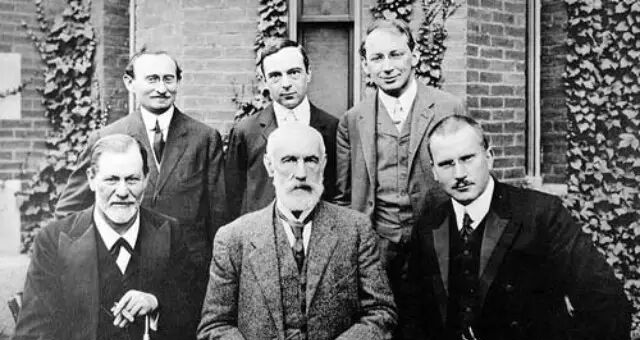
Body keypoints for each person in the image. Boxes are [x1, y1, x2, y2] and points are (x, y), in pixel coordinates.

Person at [370, 115, 631, 340]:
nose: (459, 173)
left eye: (468, 158)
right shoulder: (430, 224)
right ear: (433, 171)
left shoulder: (540, 215)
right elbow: (413, 314)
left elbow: (609, 305)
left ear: (489, 157)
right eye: (447, 164)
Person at [198, 123, 398, 340]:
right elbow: (215, 325)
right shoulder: (234, 238)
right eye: (289, 160)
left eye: (311, 160)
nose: (301, 173)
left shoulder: (355, 230)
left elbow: (381, 313)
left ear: (324, 164)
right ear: (269, 166)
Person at [16, 135, 207, 340]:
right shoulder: (55, 241)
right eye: (111, 180)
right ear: (92, 179)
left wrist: (157, 303)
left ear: (146, 179)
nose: (122, 191)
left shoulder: (169, 233)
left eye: (132, 179)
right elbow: (34, 334)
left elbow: (195, 313)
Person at [55, 49, 226, 297]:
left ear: (178, 81)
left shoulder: (205, 139)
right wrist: (98, 257)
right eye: (152, 79)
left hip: (186, 276)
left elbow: (219, 217)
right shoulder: (106, 137)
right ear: (130, 82)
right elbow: (68, 211)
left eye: (168, 79)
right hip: (122, 271)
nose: (161, 88)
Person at [334, 19, 465, 291]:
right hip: (377, 248)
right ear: (365, 65)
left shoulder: (448, 108)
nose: (387, 67)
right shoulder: (353, 120)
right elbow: (343, 197)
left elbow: (465, 177)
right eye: (377, 58)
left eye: (396, 54)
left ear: (414, 56)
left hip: (437, 244)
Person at [225, 39, 339, 220]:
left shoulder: (332, 128)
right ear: (265, 81)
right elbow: (232, 195)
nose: (286, 84)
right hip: (262, 231)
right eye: (275, 76)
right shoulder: (246, 131)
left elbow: (338, 191)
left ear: (308, 73)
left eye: (294, 73)